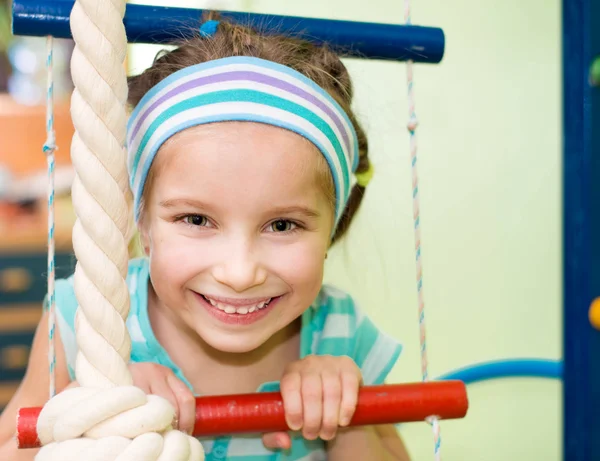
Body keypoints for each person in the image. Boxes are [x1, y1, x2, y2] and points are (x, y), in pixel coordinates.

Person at [0, 16, 410, 460]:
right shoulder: (84, 319)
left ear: (332, 226)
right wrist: (87, 412)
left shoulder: (341, 334)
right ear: (142, 221)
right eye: (196, 219)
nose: (239, 273)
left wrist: (344, 419)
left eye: (282, 225)